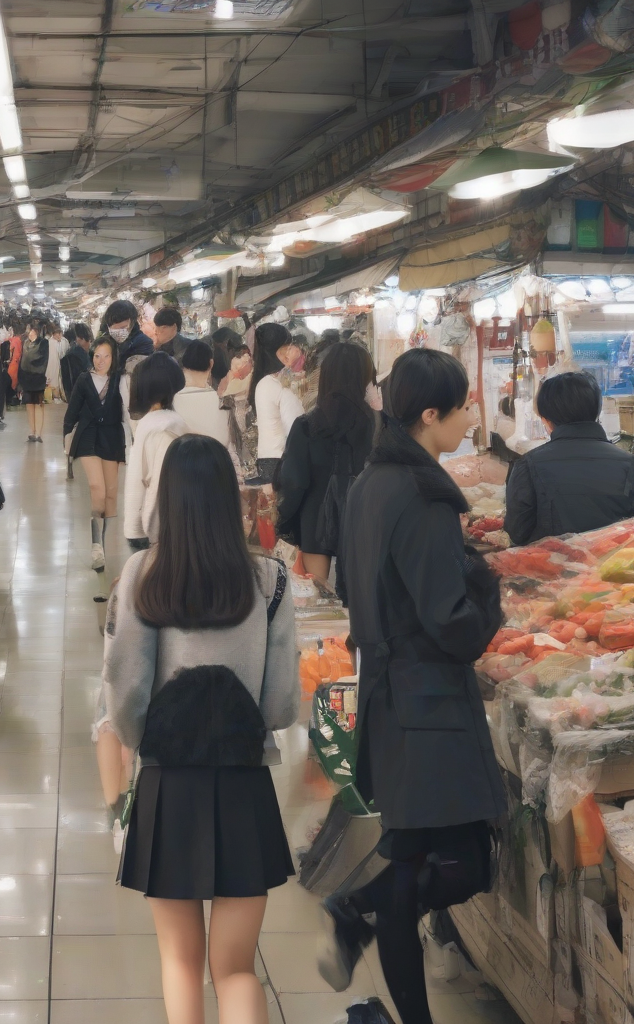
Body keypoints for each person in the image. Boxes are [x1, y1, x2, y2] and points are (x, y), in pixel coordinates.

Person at [325, 348, 505, 1024]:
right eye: (463, 407)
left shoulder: (370, 481)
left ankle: (362, 921)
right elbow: (452, 624)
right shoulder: (425, 495)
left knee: (409, 855)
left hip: (388, 692)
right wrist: (487, 589)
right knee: (462, 863)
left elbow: (358, 586)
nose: (470, 419)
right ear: (432, 414)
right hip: (430, 702)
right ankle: (356, 907)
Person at [104, 434, 298, 1024]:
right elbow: (282, 701)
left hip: (169, 784)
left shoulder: (143, 572)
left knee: (180, 963)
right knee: (236, 969)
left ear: (167, 498)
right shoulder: (271, 580)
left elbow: (126, 690)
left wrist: (148, 744)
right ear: (229, 497)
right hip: (243, 781)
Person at [278, 342, 379, 581]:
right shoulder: (375, 424)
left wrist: (282, 520)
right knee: (356, 601)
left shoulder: (306, 425)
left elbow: (294, 481)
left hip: (314, 524)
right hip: (363, 523)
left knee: (319, 602)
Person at [504, 371, 634, 545]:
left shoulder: (528, 465)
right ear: (596, 411)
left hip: (549, 568)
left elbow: (517, 532)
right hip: (615, 570)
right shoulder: (629, 463)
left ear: (546, 419)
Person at [63, 337, 125, 570]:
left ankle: (106, 544)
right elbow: (72, 412)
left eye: (106, 355)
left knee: (111, 494)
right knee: (97, 487)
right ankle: (96, 546)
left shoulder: (120, 380)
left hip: (111, 438)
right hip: (87, 436)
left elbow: (127, 409)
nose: (101, 361)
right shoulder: (84, 379)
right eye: (97, 355)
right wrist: (66, 440)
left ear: (113, 357)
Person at [124, 352, 188, 551]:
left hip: (157, 531)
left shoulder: (153, 427)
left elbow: (141, 480)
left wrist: (136, 530)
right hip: (177, 524)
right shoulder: (174, 422)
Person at [250, 323, 305, 486]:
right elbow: (296, 429)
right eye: (288, 347)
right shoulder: (277, 385)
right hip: (281, 460)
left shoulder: (263, 382)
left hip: (268, 460)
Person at [173, 340, 231, 449]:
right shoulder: (222, 400)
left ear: (183, 363)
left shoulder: (173, 400)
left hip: (183, 460)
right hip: (218, 459)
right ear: (211, 363)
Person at [19, 317, 51, 443]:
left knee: (38, 404)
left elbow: (41, 360)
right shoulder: (26, 343)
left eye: (33, 331)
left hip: (38, 379)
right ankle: (32, 431)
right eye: (29, 331)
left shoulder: (43, 343)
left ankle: (39, 433)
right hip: (27, 379)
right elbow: (23, 360)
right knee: (29, 404)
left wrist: (30, 363)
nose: (31, 333)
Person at [60, 324, 92, 400]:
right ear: (80, 339)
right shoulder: (74, 356)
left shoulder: (72, 353)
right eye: (89, 341)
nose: (90, 344)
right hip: (80, 396)